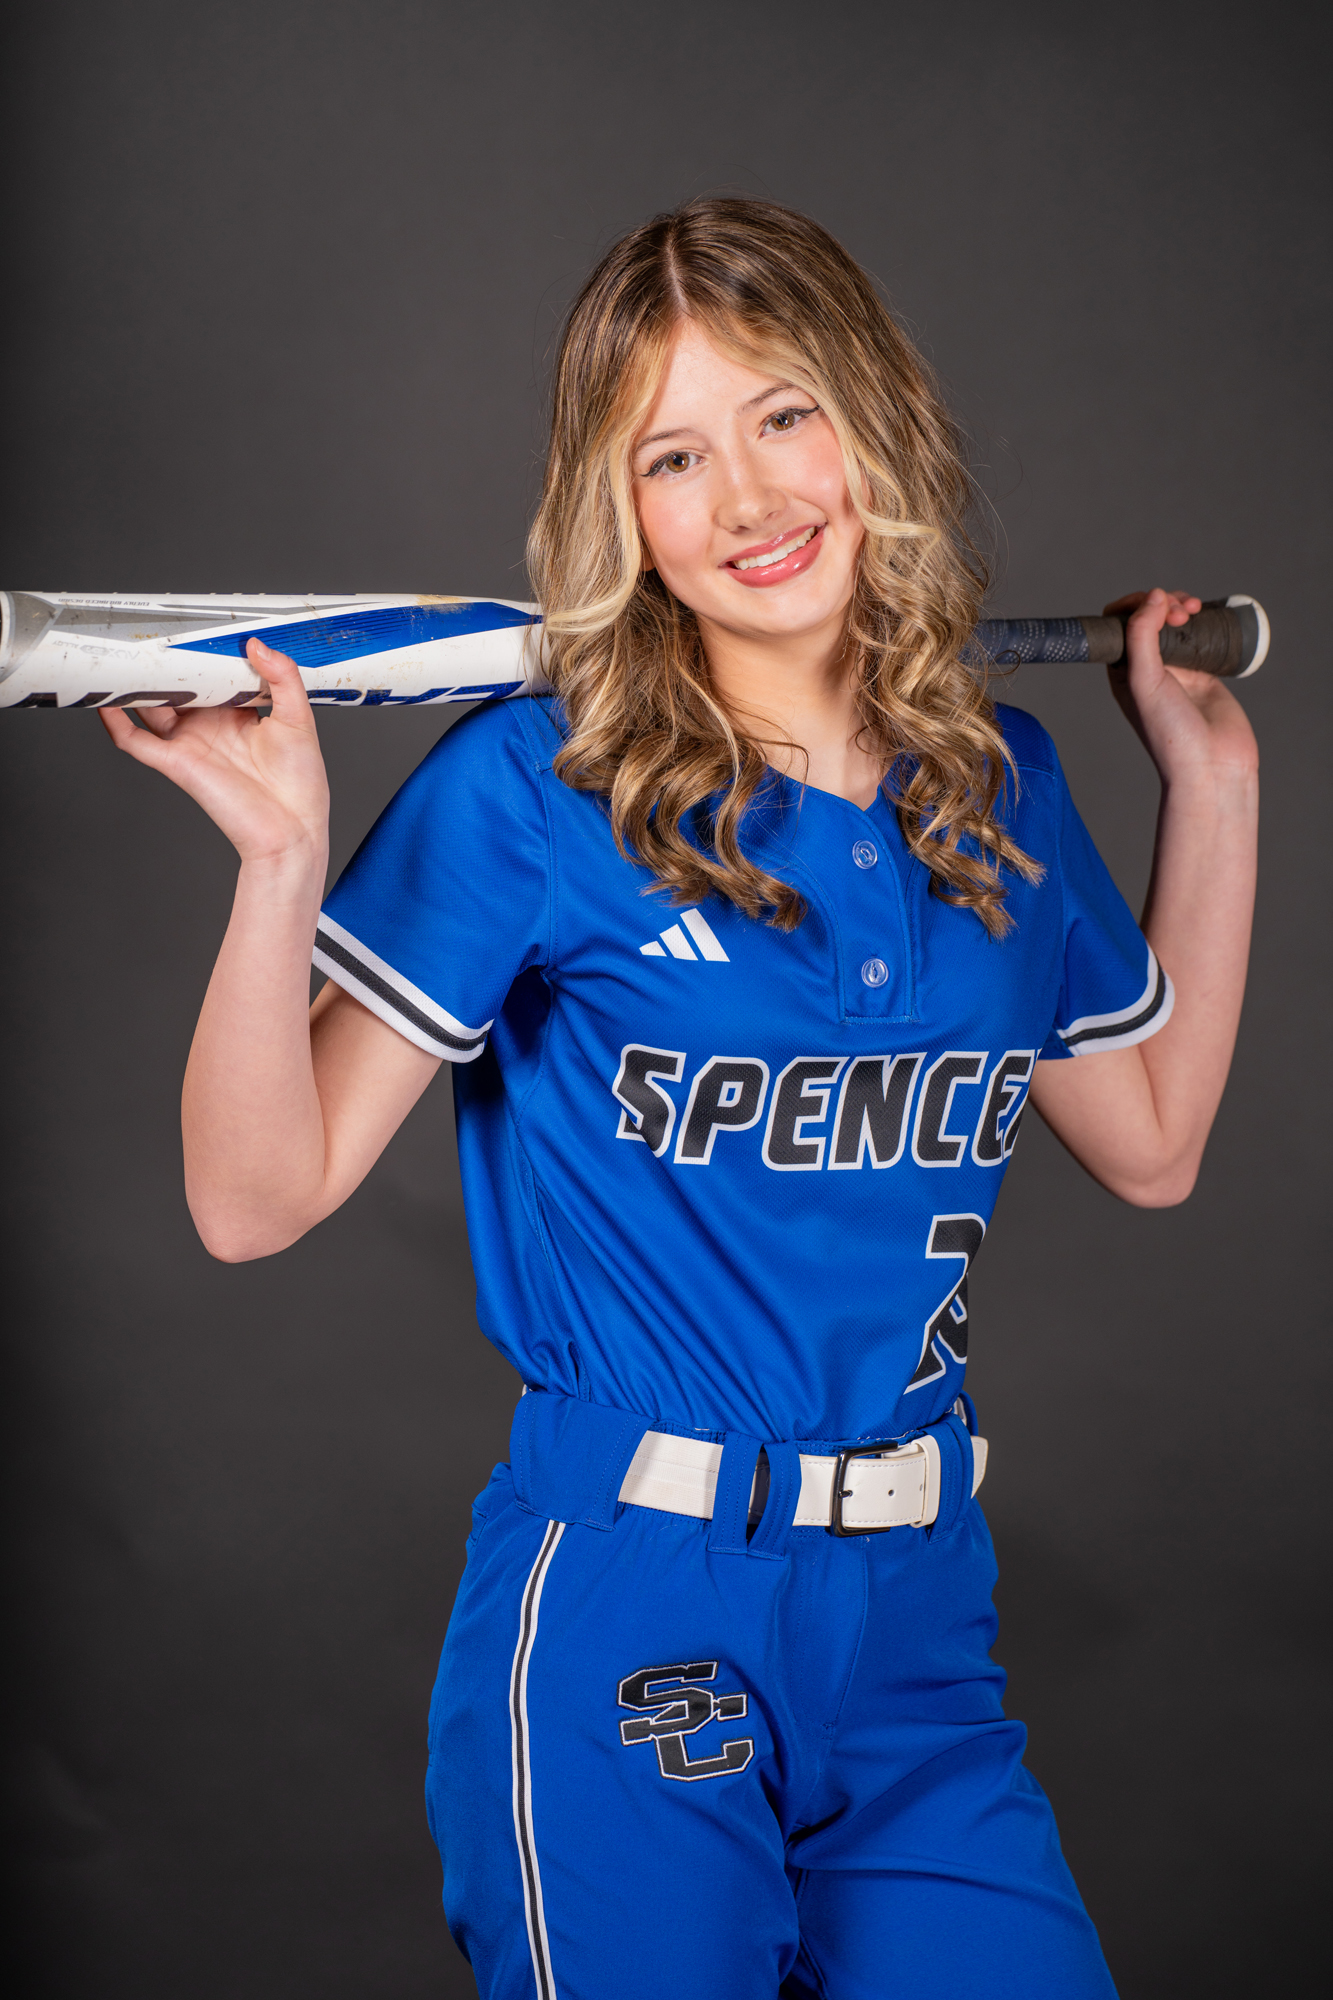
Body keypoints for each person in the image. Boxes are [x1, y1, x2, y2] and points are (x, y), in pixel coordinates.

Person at [100, 198, 1259, 2000]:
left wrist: (1213, 782)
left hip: (917, 1634)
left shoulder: (1000, 784)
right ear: (618, 510)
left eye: (785, 414)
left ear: (875, 421)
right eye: (673, 455)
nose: (747, 497)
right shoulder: (535, 785)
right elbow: (253, 1200)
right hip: (631, 1614)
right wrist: (277, 866)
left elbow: (1156, 1139)